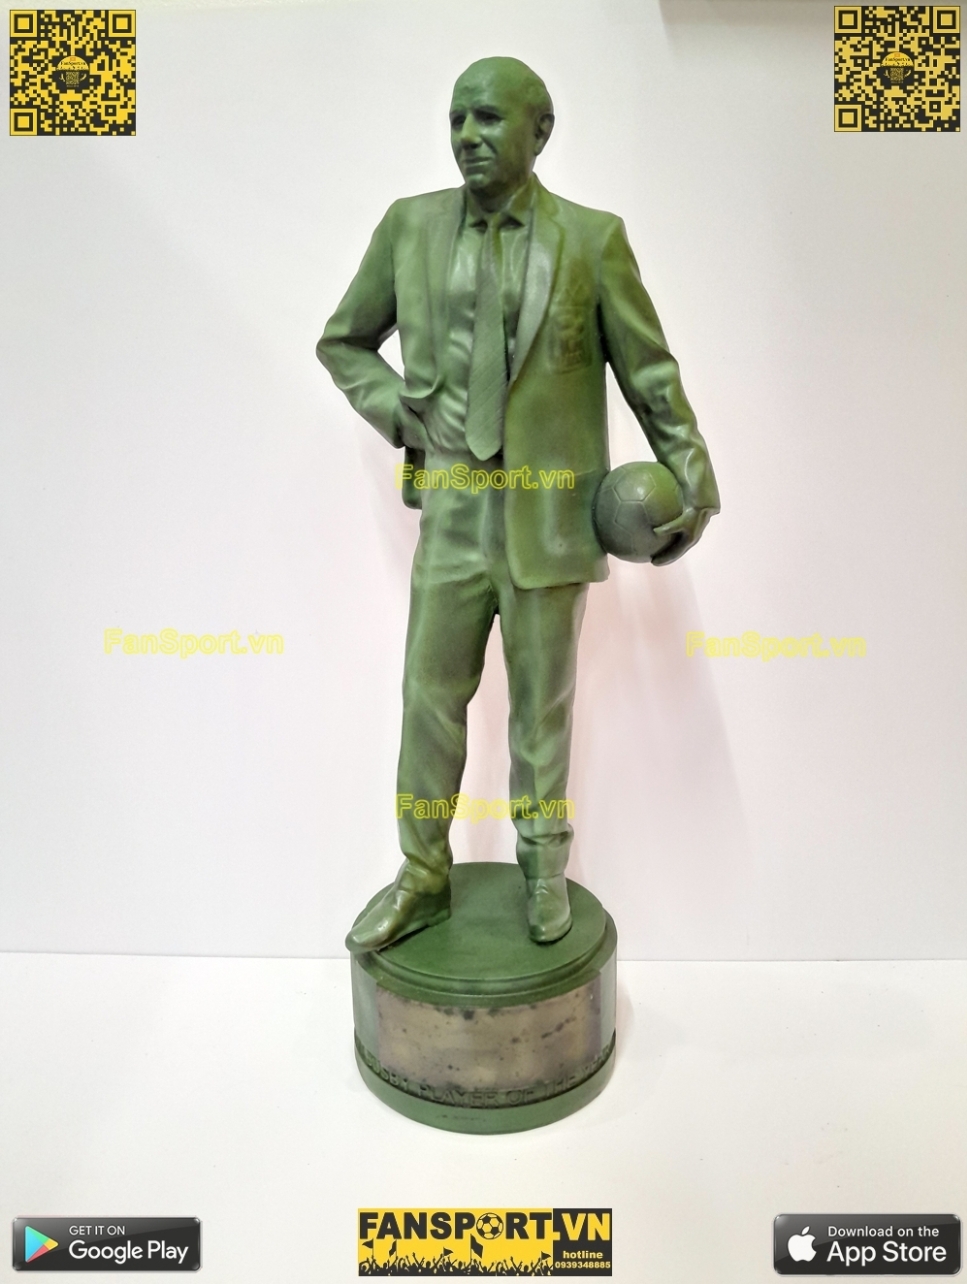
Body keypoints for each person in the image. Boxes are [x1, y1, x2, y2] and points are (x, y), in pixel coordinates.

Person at [317, 56, 719, 953]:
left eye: (489, 119)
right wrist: (402, 414)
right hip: (455, 512)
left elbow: (649, 371)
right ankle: (422, 874)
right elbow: (343, 343)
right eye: (457, 118)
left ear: (540, 133)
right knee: (429, 700)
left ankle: (543, 866)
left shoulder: (592, 240)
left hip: (551, 518)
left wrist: (693, 478)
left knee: (542, 707)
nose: (468, 135)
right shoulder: (409, 228)